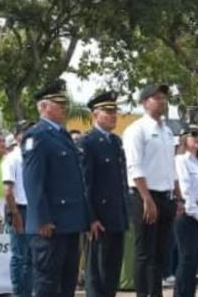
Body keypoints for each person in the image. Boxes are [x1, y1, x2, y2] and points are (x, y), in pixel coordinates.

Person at [22, 79, 88, 297]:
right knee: (47, 283)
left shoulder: (62, 135)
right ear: (44, 106)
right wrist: (42, 218)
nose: (64, 108)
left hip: (69, 222)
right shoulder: (37, 136)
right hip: (50, 224)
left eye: (64, 103)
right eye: (58, 103)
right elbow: (33, 182)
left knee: (67, 282)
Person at [121, 82, 178, 297]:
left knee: (160, 253)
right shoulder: (136, 130)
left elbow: (170, 167)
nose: (162, 101)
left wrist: (176, 197)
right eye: (157, 97)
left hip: (165, 195)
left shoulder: (167, 131)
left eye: (164, 97)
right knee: (144, 252)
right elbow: (135, 166)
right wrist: (146, 198)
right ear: (145, 102)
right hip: (144, 195)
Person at [79, 91, 127, 297]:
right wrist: (91, 218)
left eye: (114, 111)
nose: (113, 115)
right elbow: (85, 185)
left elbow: (120, 182)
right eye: (107, 111)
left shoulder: (115, 142)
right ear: (94, 114)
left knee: (112, 272)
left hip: (116, 215)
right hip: (99, 218)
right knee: (97, 272)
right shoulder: (87, 142)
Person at [173, 125, 198, 297]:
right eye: (193, 135)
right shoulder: (181, 160)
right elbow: (186, 192)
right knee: (187, 259)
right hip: (188, 215)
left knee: (194, 261)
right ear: (184, 139)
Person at [1, 121, 33, 297]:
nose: (29, 134)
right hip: (19, 209)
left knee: (31, 256)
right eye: (25, 131)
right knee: (19, 256)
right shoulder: (12, 158)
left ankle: (28, 291)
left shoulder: (33, 155)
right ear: (17, 136)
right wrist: (15, 214)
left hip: (33, 209)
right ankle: (20, 292)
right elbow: (8, 191)